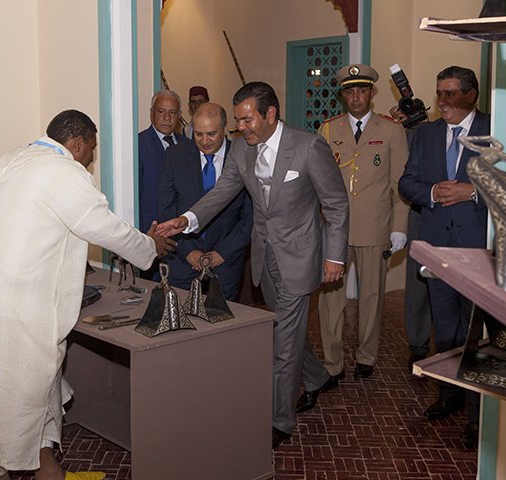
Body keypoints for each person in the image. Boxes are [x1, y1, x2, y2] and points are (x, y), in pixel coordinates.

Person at [0, 110, 176, 480]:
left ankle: (47, 468)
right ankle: (0, 466)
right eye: (91, 148)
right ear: (77, 143)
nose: (91, 158)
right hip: (18, 307)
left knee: (31, 385)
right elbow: (107, 228)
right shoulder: (64, 172)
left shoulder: (4, 162)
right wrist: (149, 246)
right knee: (19, 402)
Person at [156, 82, 349, 449]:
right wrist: (187, 220)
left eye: (247, 120)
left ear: (270, 114)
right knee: (286, 331)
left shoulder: (308, 147)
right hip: (264, 258)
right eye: (238, 121)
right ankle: (318, 377)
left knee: (282, 343)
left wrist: (334, 257)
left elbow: (336, 205)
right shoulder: (243, 151)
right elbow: (221, 193)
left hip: (299, 256)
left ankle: (279, 420)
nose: (240, 128)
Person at [398, 65, 490, 448]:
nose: (442, 101)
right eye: (439, 93)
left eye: (451, 93)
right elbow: (407, 182)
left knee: (475, 333)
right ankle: (449, 396)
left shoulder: (494, 128)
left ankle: (478, 415)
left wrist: (474, 192)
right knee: (446, 327)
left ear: (472, 95)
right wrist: (433, 192)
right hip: (437, 249)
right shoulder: (426, 134)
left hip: (478, 251)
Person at [315, 64, 409, 383]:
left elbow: (400, 184)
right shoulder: (328, 130)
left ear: (372, 93)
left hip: (375, 225)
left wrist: (399, 226)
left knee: (371, 295)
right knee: (331, 300)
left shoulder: (391, 130)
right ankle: (333, 362)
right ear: (343, 95)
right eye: (350, 91)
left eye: (362, 90)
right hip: (335, 229)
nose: (356, 96)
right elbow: (319, 181)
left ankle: (367, 355)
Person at [158, 102, 253, 300]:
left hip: (226, 261)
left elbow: (250, 217)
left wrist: (222, 253)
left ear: (225, 128)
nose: (204, 141)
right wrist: (188, 252)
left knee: (222, 316)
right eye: (198, 134)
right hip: (182, 258)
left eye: (211, 134)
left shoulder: (244, 158)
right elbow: (166, 209)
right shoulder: (176, 155)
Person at [389, 105, 433, 372]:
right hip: (420, 212)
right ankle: (418, 345)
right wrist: (404, 126)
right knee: (418, 283)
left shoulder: (482, 128)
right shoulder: (418, 134)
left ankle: (456, 345)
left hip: (461, 216)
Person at [138, 90, 189, 279]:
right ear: (152, 113)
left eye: (173, 112)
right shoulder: (138, 144)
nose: (167, 118)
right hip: (152, 235)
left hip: (184, 237)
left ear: (179, 115)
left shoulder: (188, 145)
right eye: (161, 111)